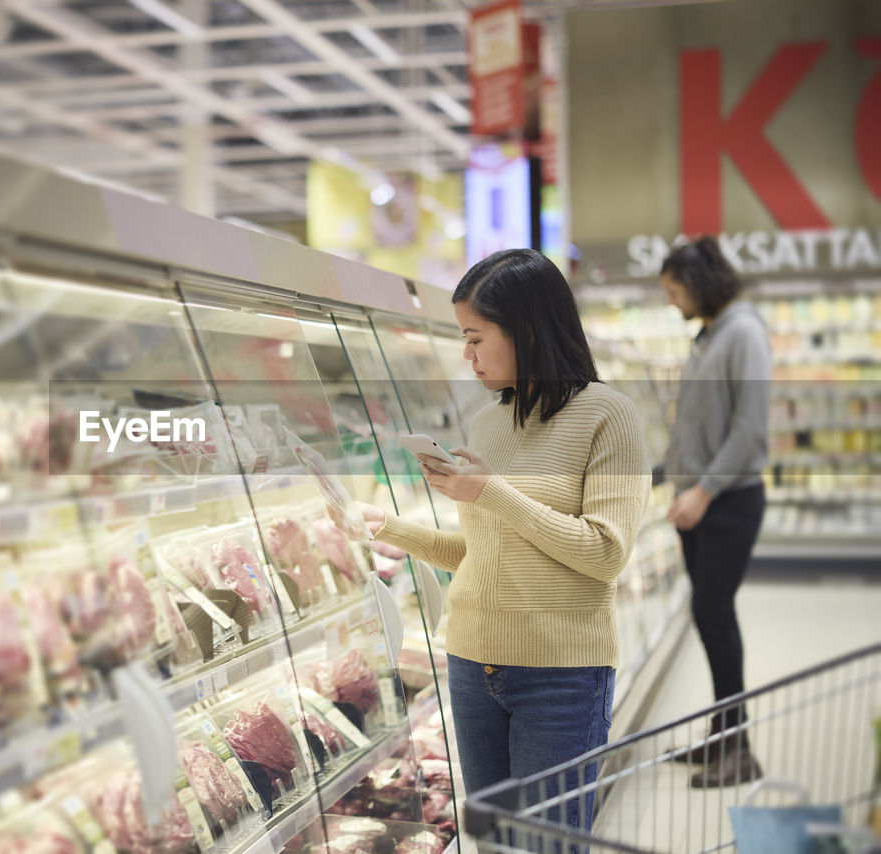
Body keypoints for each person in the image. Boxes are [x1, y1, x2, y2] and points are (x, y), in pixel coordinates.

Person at [330, 248, 649, 830]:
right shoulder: (488, 423)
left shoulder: (608, 416)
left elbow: (605, 553)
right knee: (491, 839)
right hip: (473, 665)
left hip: (560, 674)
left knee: (548, 845)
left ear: (526, 330)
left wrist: (491, 491)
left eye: (476, 337)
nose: (466, 355)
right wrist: (389, 527)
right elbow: (484, 553)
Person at [660, 236, 771, 789]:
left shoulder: (744, 334)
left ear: (700, 283)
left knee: (716, 617)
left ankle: (740, 749)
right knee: (708, 618)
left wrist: (702, 490)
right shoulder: (708, 336)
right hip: (703, 501)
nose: (673, 302)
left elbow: (749, 432)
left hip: (728, 502)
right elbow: (698, 425)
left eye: (675, 289)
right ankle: (723, 733)